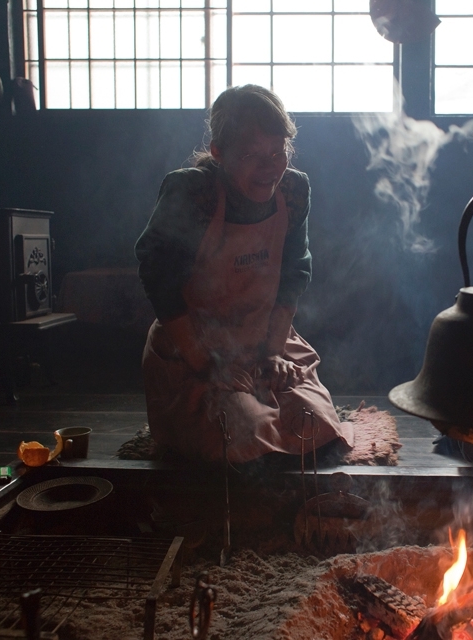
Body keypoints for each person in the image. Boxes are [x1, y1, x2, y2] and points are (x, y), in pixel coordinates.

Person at [135, 85, 353, 463]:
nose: (270, 168)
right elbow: (159, 278)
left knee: (313, 423)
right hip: (194, 348)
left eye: (277, 153)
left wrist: (274, 353)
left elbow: (294, 272)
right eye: (253, 155)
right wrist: (207, 364)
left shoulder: (293, 190)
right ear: (219, 152)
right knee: (246, 434)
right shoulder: (192, 192)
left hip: (264, 337)